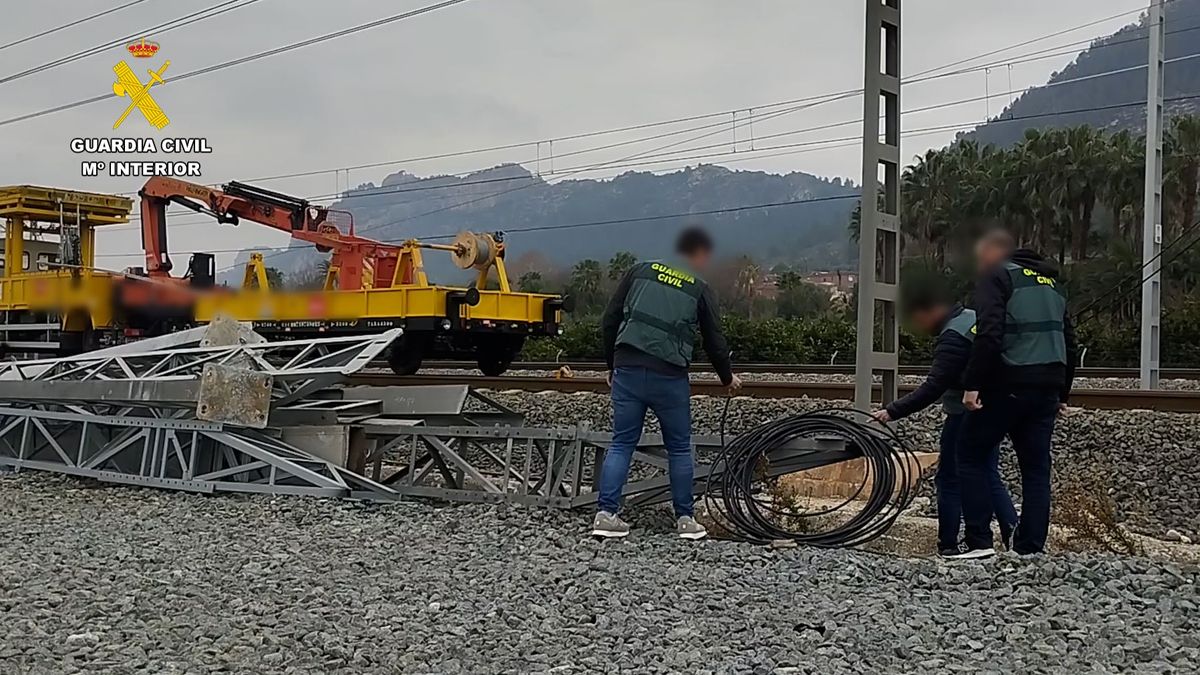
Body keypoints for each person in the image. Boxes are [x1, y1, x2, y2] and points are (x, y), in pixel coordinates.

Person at [592, 226, 742, 540]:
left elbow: (610, 318)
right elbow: (714, 340)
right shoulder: (698, 287)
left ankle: (606, 515)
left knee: (621, 443)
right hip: (669, 377)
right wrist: (726, 377)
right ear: (699, 254)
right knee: (679, 447)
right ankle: (685, 520)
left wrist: (611, 364)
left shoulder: (640, 270)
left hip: (628, 368)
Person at [871, 284, 1018, 558]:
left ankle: (949, 544)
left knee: (949, 478)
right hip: (993, 408)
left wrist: (892, 411)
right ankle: (1015, 537)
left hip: (965, 414)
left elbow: (934, 387)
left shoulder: (953, 336)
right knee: (989, 474)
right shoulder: (975, 319)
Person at [955, 229, 1077, 559]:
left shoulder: (996, 277)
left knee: (970, 454)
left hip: (1008, 383)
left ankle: (979, 542)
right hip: (1047, 388)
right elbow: (1070, 340)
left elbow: (990, 333)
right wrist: (1062, 393)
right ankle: (1030, 548)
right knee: (1036, 469)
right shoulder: (1052, 286)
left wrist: (973, 384)